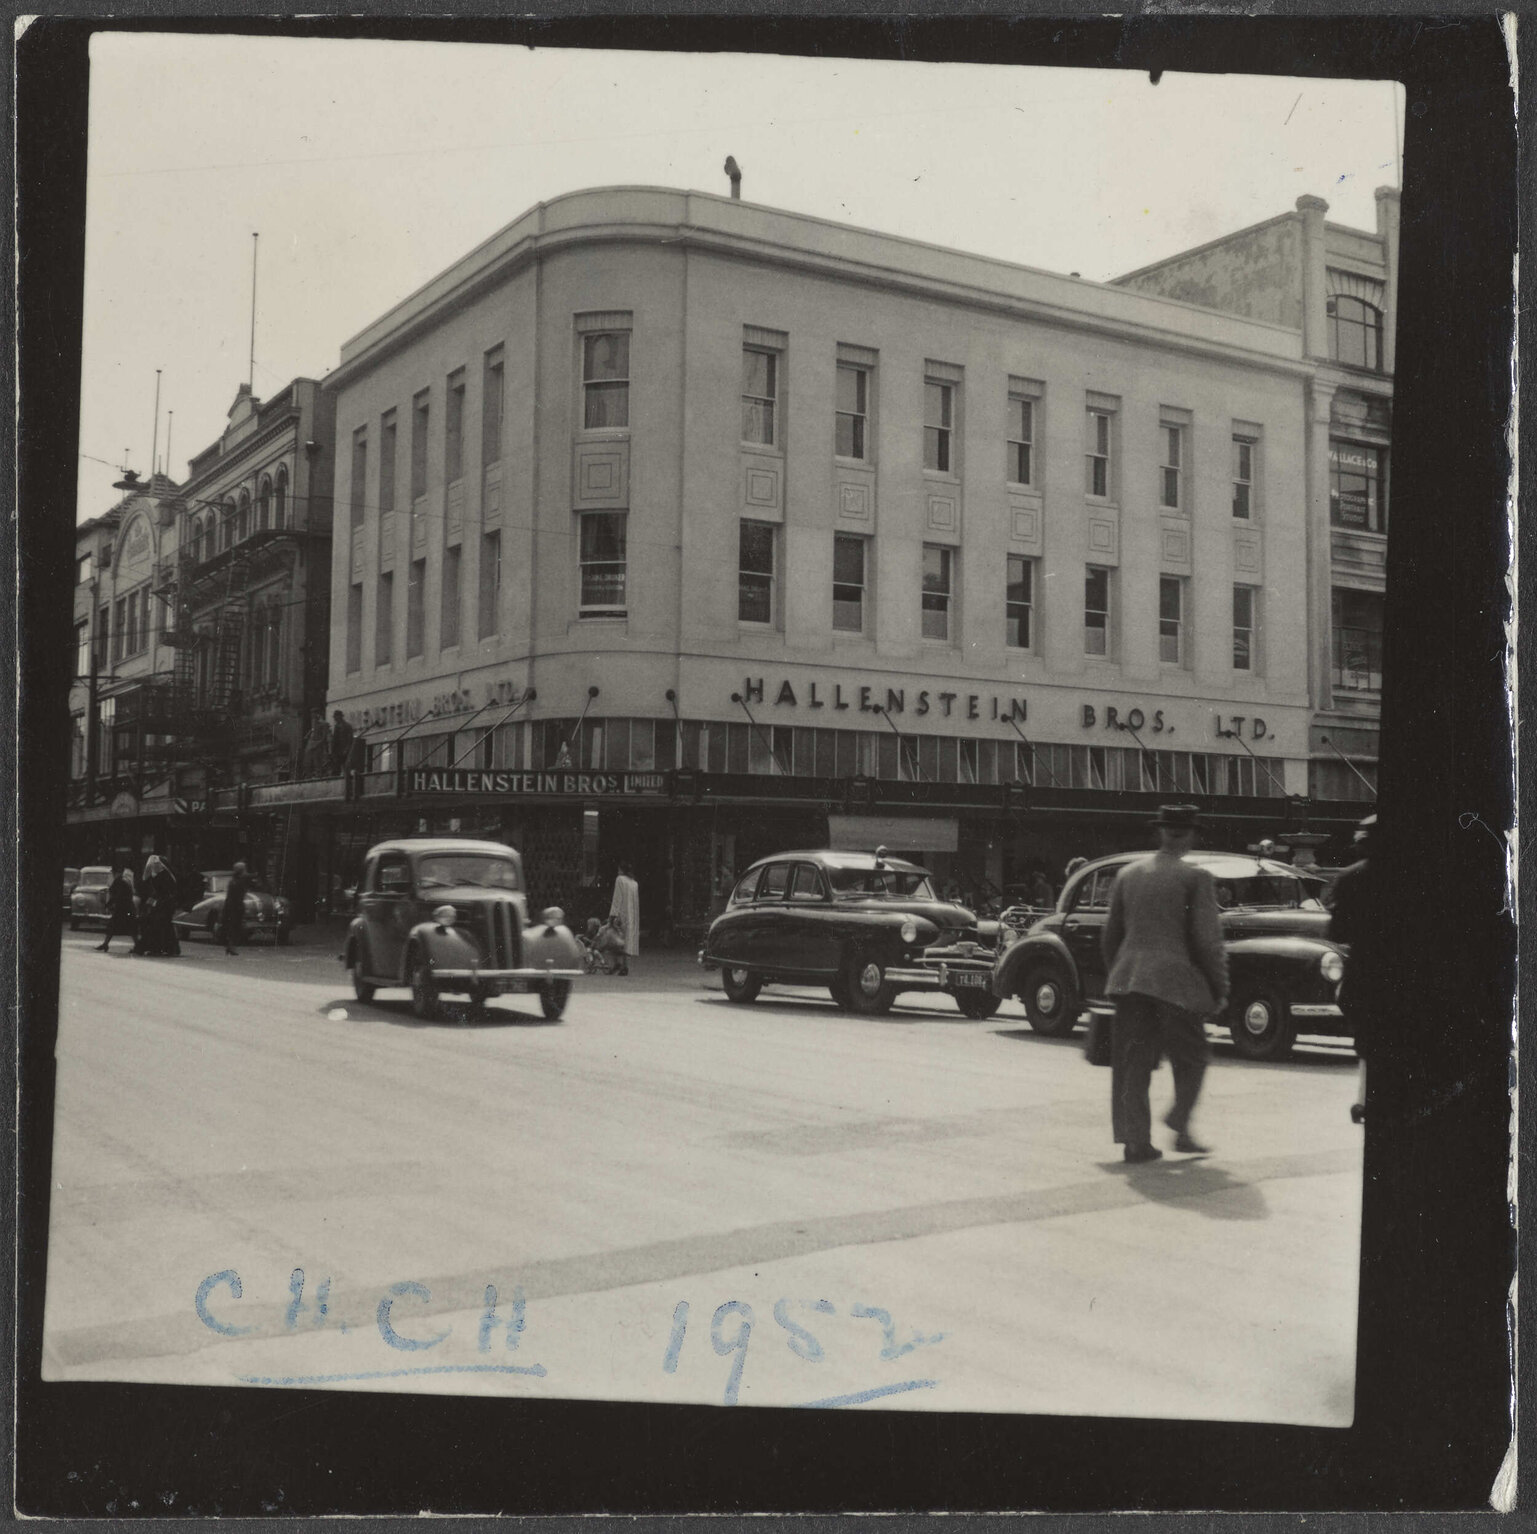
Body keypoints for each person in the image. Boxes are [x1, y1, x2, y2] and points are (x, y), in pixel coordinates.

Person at [1102, 803, 1230, 1164]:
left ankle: (1135, 1142)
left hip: (1130, 980)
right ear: (1191, 834)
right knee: (1193, 1057)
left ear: (1160, 832)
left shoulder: (1128, 874)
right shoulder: (1196, 878)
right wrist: (1219, 988)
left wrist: (1120, 974)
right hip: (1176, 984)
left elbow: (1110, 936)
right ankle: (1179, 1122)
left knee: (1135, 1063)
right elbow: (1208, 942)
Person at [1327, 814, 1377, 1124]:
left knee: (1367, 1041)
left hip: (1366, 971)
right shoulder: (1418, 877)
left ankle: (1364, 1100)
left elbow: (1337, 933)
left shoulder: (1349, 878)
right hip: (1410, 974)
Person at [135, 854, 181, 956]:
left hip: (166, 903)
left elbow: (166, 891)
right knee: (159, 924)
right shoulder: (156, 875)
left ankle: (161, 948)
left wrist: (155, 901)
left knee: (159, 924)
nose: (154, 866)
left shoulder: (163, 875)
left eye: (156, 864)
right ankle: (162, 948)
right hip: (162, 902)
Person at [608, 861, 640, 976]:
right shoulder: (634, 883)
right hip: (631, 916)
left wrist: (613, 915)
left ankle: (617, 963)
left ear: (621, 870)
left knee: (612, 938)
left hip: (621, 915)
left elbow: (617, 898)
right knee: (626, 941)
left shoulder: (620, 879)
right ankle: (625, 966)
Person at [95, 867, 137, 954]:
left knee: (113, 925)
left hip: (122, 908)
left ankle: (106, 944)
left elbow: (116, 895)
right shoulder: (126, 880)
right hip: (128, 908)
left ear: (116, 873)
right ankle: (106, 944)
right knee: (130, 926)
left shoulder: (119, 881)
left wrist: (108, 905)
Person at [221, 860, 252, 956]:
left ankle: (230, 946)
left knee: (233, 927)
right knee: (235, 927)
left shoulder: (234, 880)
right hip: (235, 907)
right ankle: (231, 947)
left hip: (231, 906)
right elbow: (237, 896)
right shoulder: (238, 881)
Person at [328, 710, 355, 775]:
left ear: (340, 716)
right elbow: (335, 739)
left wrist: (346, 749)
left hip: (344, 750)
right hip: (337, 751)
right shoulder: (336, 726)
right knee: (336, 767)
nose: (335, 718)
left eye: (336, 717)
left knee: (345, 766)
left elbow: (350, 740)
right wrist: (332, 751)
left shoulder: (347, 726)